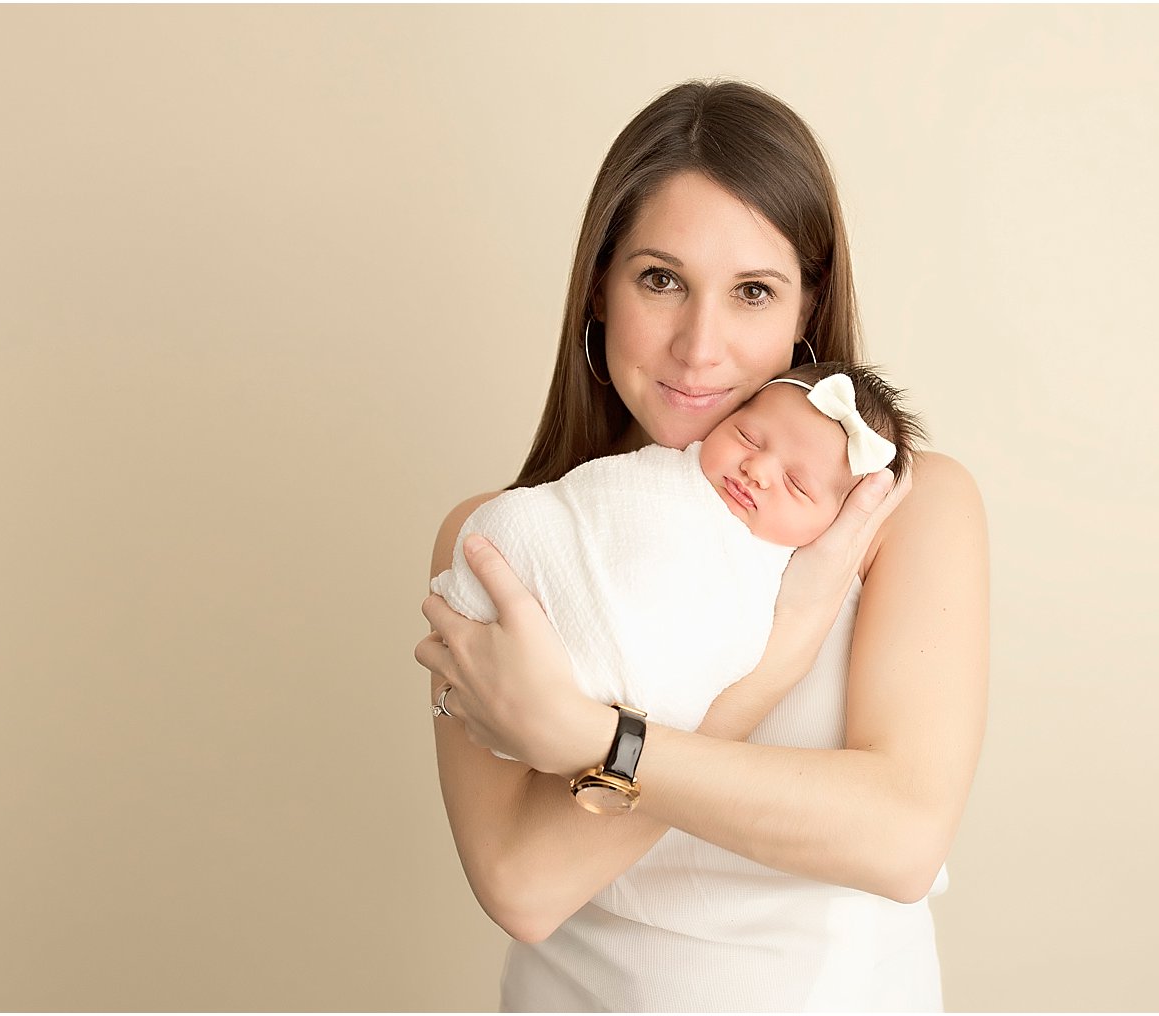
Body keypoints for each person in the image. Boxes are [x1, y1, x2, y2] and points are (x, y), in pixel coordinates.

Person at [415, 79, 989, 1012]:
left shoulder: (907, 511)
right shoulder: (504, 543)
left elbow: (900, 840)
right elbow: (523, 887)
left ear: (807, 310)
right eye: (661, 279)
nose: (699, 347)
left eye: (753, 291)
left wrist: (596, 744)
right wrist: (769, 666)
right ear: (598, 289)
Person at [429, 362, 923, 739]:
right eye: (747, 436)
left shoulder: (773, 575)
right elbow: (591, 503)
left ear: (841, 518)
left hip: (603, 703)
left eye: (796, 485)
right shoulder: (664, 475)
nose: (759, 470)